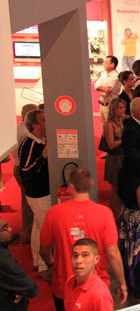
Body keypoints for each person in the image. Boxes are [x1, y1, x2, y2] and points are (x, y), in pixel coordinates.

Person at [39, 168, 127, 309]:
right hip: (96, 288)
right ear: (91, 184)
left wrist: (52, 265)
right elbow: (112, 253)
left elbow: (44, 250)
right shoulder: (104, 213)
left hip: (63, 286)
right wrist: (122, 283)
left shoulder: (54, 213)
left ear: (71, 187)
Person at [18, 109, 51, 281]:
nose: (47, 123)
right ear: (34, 125)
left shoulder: (39, 141)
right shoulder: (30, 144)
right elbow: (25, 170)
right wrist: (42, 158)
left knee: (38, 226)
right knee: (44, 228)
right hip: (38, 193)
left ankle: (38, 261)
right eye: (44, 120)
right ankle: (44, 266)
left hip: (40, 191)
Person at [117, 153, 140, 298]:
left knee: (128, 251)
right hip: (138, 220)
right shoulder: (139, 184)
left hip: (126, 216)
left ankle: (129, 281)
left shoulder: (122, 178)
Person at [0, 216, 39, 310]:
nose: (10, 229)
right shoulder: (4, 260)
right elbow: (31, 287)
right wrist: (21, 291)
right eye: (4, 229)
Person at [63, 238, 113, 311]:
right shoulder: (69, 282)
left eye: (85, 255)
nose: (78, 261)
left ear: (96, 259)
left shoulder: (100, 296)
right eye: (75, 255)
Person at [12, 103, 37, 245]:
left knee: (27, 201)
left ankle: (29, 233)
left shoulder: (19, 129)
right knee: (28, 202)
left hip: (19, 167)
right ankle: (28, 234)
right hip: (23, 169)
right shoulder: (25, 133)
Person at [103, 98, 126, 219]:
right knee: (115, 187)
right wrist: (124, 140)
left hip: (122, 157)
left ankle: (119, 212)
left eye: (123, 107)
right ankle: (115, 215)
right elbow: (111, 144)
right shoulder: (109, 125)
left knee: (121, 186)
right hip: (115, 159)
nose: (123, 110)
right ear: (114, 109)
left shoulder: (121, 121)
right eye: (120, 108)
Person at [94, 55, 120, 123]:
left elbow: (108, 90)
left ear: (112, 65)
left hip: (110, 106)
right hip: (102, 104)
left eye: (105, 63)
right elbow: (96, 85)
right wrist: (102, 88)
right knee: (104, 126)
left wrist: (101, 87)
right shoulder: (104, 73)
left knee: (111, 126)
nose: (103, 64)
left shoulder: (116, 76)